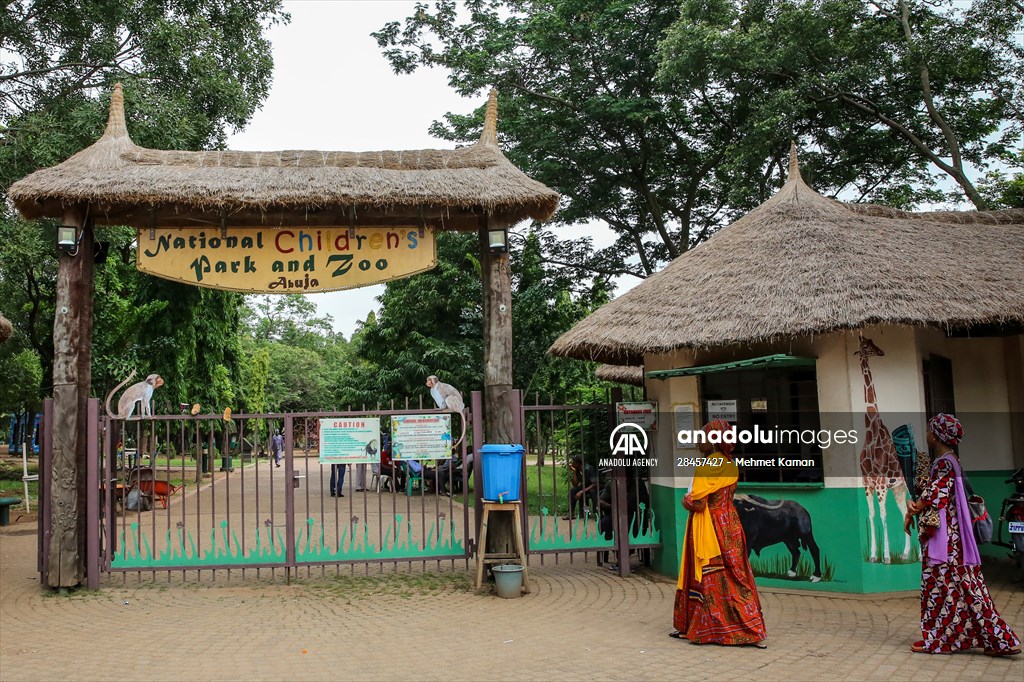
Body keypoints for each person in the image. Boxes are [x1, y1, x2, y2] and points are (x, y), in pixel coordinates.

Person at [904, 414, 1020, 656]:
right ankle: (990, 641)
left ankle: (948, 641)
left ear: (936, 435)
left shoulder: (945, 463)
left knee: (944, 589)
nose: (927, 434)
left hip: (947, 542)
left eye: (929, 431)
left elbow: (938, 494)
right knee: (959, 590)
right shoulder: (951, 460)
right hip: (954, 541)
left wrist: (916, 506)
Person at [670, 419, 767, 648]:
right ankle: (752, 630)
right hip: (730, 525)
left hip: (709, 527)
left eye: (702, 437)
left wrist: (686, 500)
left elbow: (697, 502)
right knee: (737, 574)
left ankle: (703, 629)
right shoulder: (730, 464)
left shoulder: (707, 466)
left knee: (707, 576)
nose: (698, 442)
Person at [564, 456, 598, 521]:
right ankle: (571, 513)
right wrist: (574, 472)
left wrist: (581, 492)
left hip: (594, 487)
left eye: (574, 462)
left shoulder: (589, 468)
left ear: (578, 463)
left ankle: (596, 513)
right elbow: (575, 484)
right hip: (586, 486)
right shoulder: (577, 470)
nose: (572, 463)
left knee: (592, 492)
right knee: (573, 491)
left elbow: (595, 484)